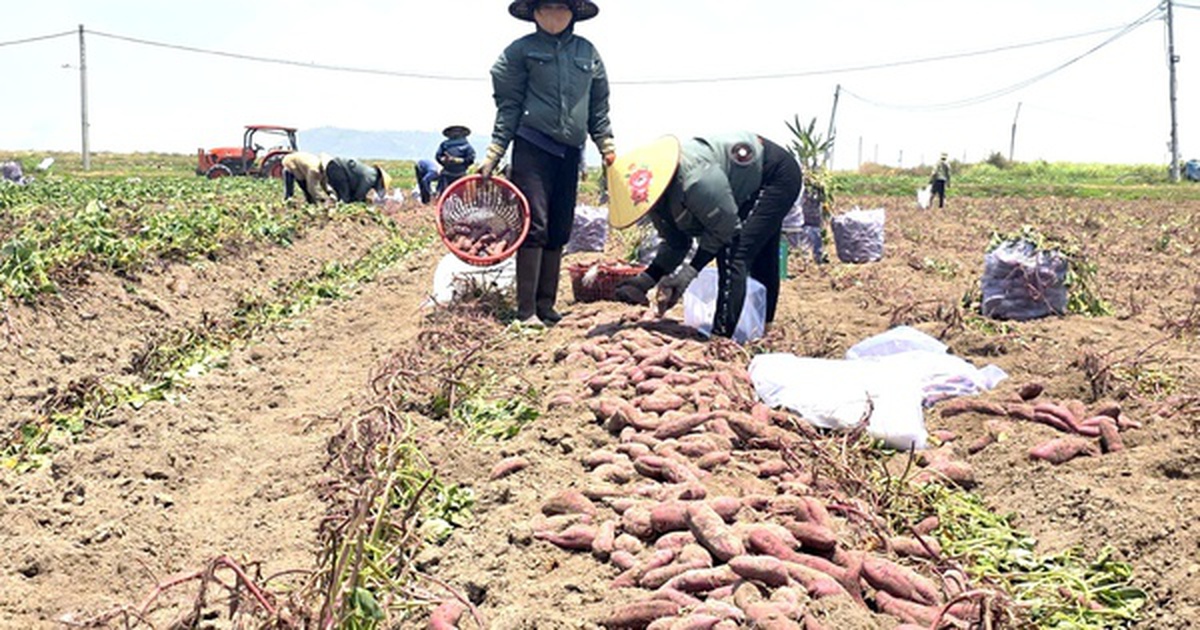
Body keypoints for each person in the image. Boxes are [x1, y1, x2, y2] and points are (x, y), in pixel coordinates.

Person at [479, 0, 616, 327]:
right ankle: (526, 310)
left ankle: (547, 305)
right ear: (535, 13)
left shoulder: (587, 52)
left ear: (572, 13)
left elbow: (598, 106)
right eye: (546, 7)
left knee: (559, 226)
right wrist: (494, 152)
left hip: (570, 151)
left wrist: (606, 145)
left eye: (561, 7)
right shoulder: (519, 52)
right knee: (535, 224)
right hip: (533, 147)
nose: (554, 14)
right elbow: (508, 106)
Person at [609, 132, 803, 339]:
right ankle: (761, 330)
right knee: (759, 255)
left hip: (774, 175)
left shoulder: (696, 181)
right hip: (745, 186)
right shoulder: (656, 200)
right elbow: (676, 243)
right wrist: (646, 280)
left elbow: (725, 229)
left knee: (735, 253)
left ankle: (722, 337)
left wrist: (688, 273)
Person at [325, 156, 390, 203]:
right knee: (345, 198)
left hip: (335, 166)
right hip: (338, 168)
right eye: (382, 186)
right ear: (380, 180)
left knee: (342, 196)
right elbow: (359, 194)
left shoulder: (371, 174)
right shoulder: (371, 177)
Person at [436, 125, 476, 194]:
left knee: (460, 195)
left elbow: (471, 159)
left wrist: (457, 160)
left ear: (462, 133)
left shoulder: (466, 145)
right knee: (443, 194)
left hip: (460, 175)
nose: (456, 133)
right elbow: (438, 156)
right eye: (454, 131)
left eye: (458, 131)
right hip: (446, 175)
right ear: (450, 133)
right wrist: (444, 160)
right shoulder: (444, 145)